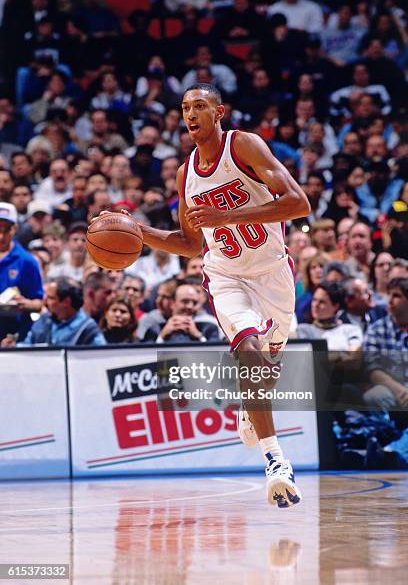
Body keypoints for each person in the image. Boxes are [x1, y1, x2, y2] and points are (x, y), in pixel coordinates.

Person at [99, 83, 310, 508]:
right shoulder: (186, 173)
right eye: (185, 108)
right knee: (248, 351)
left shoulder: (244, 146)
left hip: (273, 273)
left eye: (200, 106)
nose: (191, 114)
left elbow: (298, 203)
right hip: (225, 275)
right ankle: (276, 461)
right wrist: (138, 231)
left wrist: (227, 215)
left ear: (219, 112)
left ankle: (249, 408)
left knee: (266, 366)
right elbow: (192, 244)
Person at [1, 277, 106, 347]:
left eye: (51, 298)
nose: (45, 301)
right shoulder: (43, 320)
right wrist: (14, 347)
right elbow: (28, 345)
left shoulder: (87, 329)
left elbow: (101, 357)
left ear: (66, 301)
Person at [0, 202, 44, 341]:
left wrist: (25, 303)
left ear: (15, 229)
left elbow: (39, 303)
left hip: (14, 332)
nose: (1, 236)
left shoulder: (27, 261)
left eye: (6, 229)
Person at [363, 278, 408, 409]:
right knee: (374, 396)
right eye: (389, 294)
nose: (390, 300)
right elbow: (372, 369)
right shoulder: (376, 329)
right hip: (392, 389)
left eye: (396, 296)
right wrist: (401, 391)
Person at [143, 283, 219, 344]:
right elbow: (144, 358)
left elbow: (217, 358)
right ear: (172, 303)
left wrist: (199, 336)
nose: (190, 306)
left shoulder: (209, 329)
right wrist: (162, 337)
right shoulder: (155, 330)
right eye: (185, 301)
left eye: (194, 303)